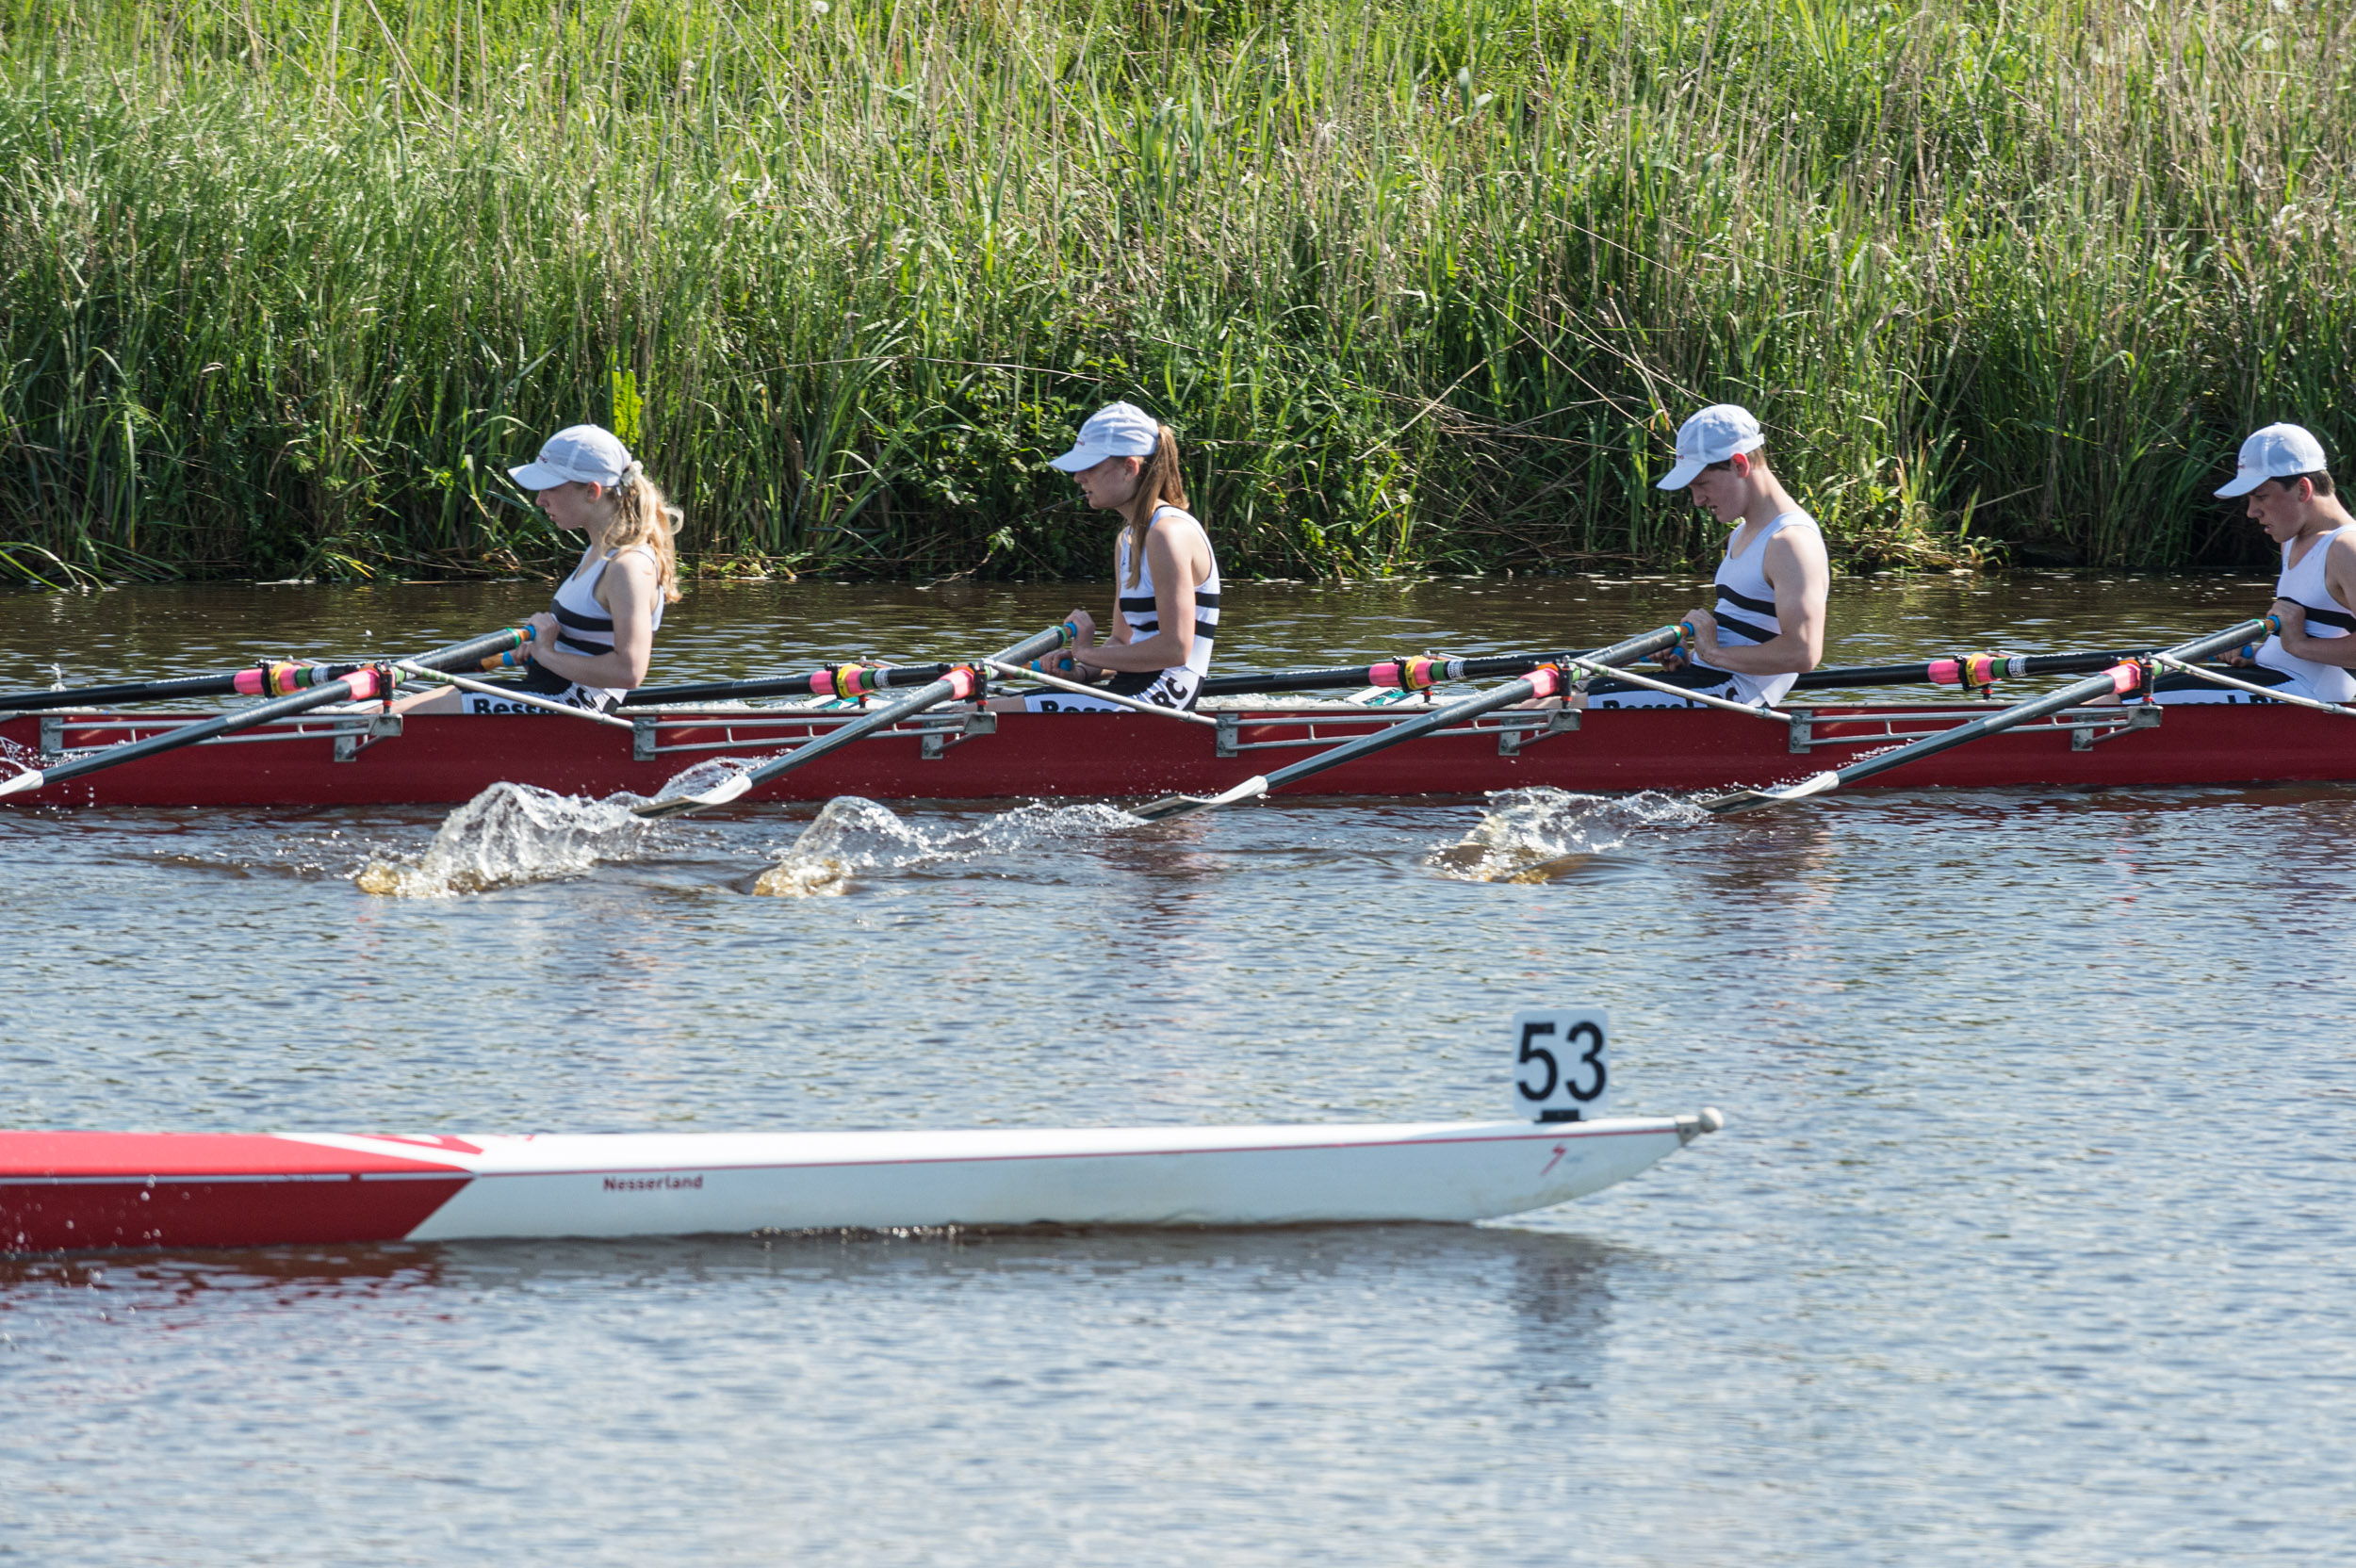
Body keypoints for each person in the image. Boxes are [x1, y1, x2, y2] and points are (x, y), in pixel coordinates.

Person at [403, 424, 682, 714]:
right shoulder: (597, 552)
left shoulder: (628, 566)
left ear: (592, 491)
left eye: (550, 488)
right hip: (550, 692)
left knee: (401, 715)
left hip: (576, 707)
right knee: (393, 707)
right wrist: (542, 651)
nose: (539, 500)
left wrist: (547, 654)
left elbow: (629, 671)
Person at [999, 401, 1220, 713]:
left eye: (1090, 465)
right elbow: (1121, 641)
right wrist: (1079, 672)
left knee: (983, 712)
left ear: (1130, 468)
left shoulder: (1168, 534)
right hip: (1131, 689)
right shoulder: (1128, 539)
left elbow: (1175, 649)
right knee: (980, 705)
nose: (1078, 477)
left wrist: (1086, 653)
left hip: (1166, 696)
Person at [1610, 403, 1828, 710]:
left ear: (1740, 465)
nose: (1697, 500)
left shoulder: (1791, 542)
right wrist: (1691, 656)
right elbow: (1742, 634)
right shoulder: (1743, 534)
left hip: (1730, 694)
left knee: (1552, 707)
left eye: (1701, 484)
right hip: (1707, 681)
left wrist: (1713, 654)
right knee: (1558, 692)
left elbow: (1803, 653)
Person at [2163, 422, 2356, 705]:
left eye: (2261, 496)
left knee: (2124, 701)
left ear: (2303, 489)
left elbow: (2300, 642)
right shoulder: (2291, 540)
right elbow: (2307, 625)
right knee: (2132, 686)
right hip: (2277, 680)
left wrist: (2299, 646)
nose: (2252, 511)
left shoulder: (2346, 549)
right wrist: (2257, 647)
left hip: (2309, 698)